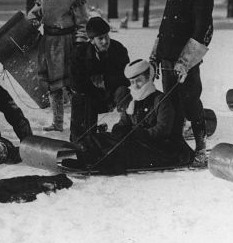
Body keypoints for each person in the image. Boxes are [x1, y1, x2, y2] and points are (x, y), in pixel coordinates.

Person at [62, 59, 193, 173]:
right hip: (137, 141)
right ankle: (85, 161)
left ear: (149, 78)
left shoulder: (160, 100)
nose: (135, 85)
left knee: (124, 149)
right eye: (132, 82)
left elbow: (163, 130)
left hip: (160, 148)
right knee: (96, 138)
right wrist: (119, 130)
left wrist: (138, 134)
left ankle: (95, 164)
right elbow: (124, 123)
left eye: (139, 81)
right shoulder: (133, 100)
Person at [149, 0, 216, 164]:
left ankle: (200, 147)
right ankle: (176, 147)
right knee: (170, 103)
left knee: (190, 102)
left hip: (185, 62)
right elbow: (165, 25)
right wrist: (155, 55)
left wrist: (185, 62)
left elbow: (203, 32)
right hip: (167, 58)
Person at [28, 0, 90, 132]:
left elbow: (83, 23)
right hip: (49, 44)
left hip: (68, 42)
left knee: (73, 84)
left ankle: (81, 122)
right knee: (52, 85)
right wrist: (32, 23)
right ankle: (57, 122)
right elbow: (34, 14)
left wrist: (80, 44)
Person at [69, 16, 130, 144]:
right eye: (100, 38)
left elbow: (126, 77)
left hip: (112, 94)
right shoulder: (80, 53)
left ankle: (126, 131)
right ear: (91, 41)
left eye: (106, 36)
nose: (105, 41)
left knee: (124, 92)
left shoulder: (119, 50)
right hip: (90, 96)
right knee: (81, 97)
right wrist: (95, 89)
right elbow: (77, 83)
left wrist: (104, 80)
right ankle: (82, 139)